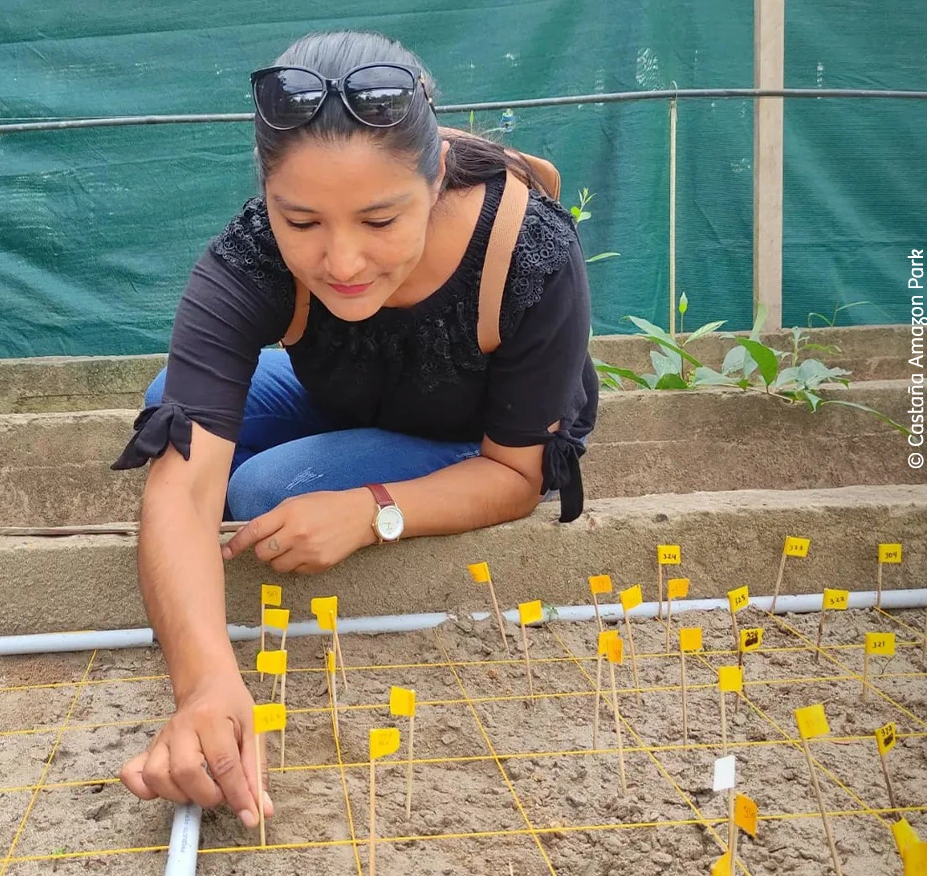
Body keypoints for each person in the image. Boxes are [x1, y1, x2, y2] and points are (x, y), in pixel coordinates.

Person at [112, 30, 598, 826]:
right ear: (268, 194)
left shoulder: (529, 251)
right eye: (302, 221)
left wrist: (374, 510)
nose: (342, 260)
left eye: (380, 220)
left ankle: (371, 470)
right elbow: (183, 478)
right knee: (175, 401)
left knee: (271, 487)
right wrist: (204, 682)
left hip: (482, 435)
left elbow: (516, 476)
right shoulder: (252, 255)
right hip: (354, 395)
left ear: (435, 176)